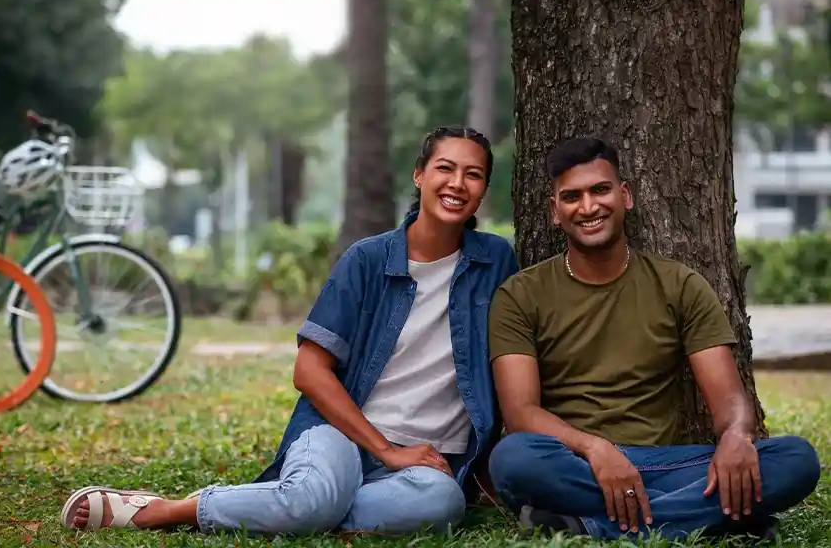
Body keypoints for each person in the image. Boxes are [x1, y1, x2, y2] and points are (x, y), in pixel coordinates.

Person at [59, 126, 519, 536]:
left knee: (443, 503)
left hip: (426, 462)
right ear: (420, 175)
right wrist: (384, 448)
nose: (457, 183)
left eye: (473, 174)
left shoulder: (496, 261)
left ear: (483, 191)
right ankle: (171, 510)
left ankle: (303, 508)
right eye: (445, 168)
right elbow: (309, 370)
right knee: (319, 497)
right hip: (342, 435)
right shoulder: (368, 260)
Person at [485, 137, 821, 542]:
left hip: (668, 463)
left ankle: (591, 525)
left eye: (600, 190)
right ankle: (717, 518)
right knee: (512, 459)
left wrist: (736, 434)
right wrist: (595, 449)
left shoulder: (679, 285)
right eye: (572, 196)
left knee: (795, 459)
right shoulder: (520, 295)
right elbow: (521, 413)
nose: (588, 206)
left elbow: (729, 398)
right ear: (555, 211)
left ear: (625, 196)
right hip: (572, 460)